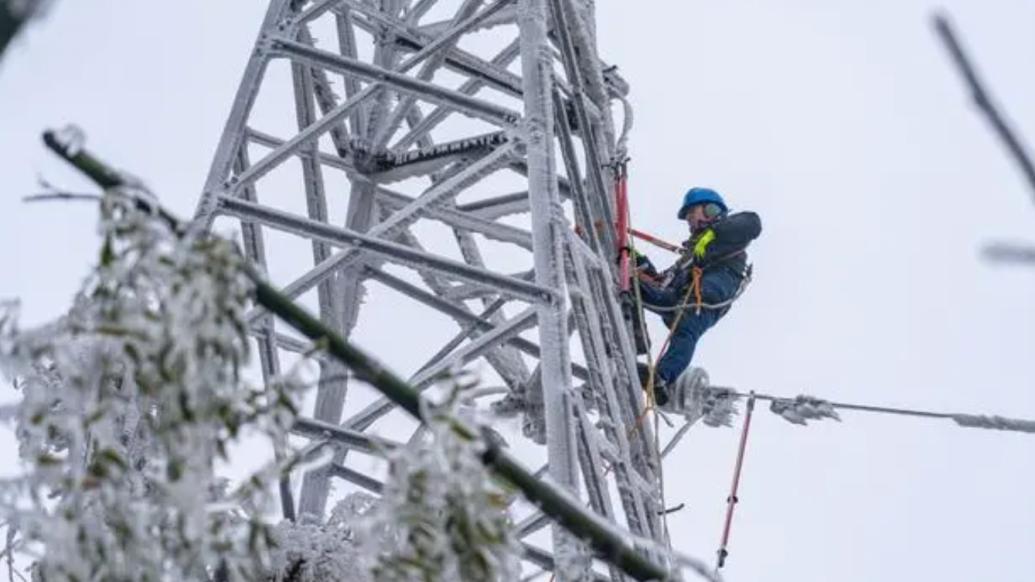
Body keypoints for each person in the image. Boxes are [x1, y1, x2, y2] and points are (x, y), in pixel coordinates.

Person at [634, 187, 761, 409]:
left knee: (687, 330)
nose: (690, 222)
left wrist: (716, 231)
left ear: (712, 210)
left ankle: (663, 378)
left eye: (693, 215)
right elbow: (661, 282)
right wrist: (637, 261)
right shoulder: (691, 256)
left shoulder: (726, 237)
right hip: (681, 299)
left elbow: (753, 222)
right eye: (689, 219)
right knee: (634, 288)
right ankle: (637, 336)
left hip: (707, 298)